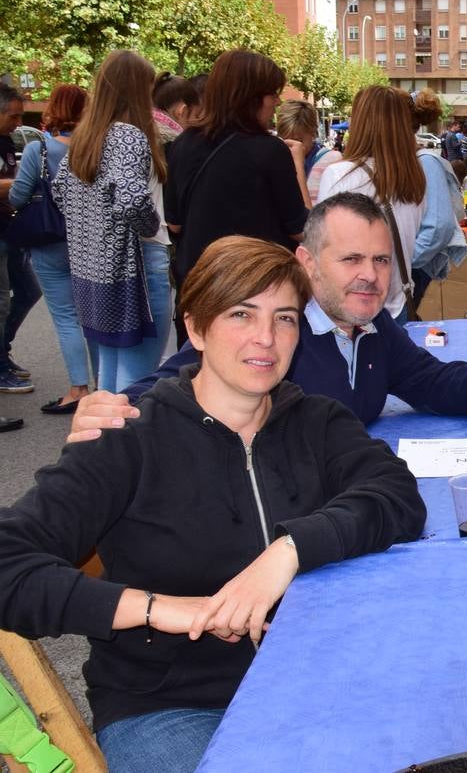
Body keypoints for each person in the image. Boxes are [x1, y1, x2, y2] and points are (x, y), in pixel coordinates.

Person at [0, 235, 425, 772]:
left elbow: (396, 495)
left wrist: (288, 550)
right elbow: (8, 561)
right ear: (196, 328)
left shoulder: (316, 422)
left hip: (317, 678)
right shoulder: (128, 440)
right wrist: (162, 608)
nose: (266, 338)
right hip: (171, 706)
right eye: (241, 314)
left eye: (285, 318)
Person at [71, 192, 467, 438]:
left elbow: (435, 384)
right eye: (351, 260)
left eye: (380, 261)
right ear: (307, 264)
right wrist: (115, 407)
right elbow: (177, 380)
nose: (371, 276)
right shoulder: (269, 334)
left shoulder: (374, 327)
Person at [53, 50, 173, 392]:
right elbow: (132, 200)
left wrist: (95, 227)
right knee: (136, 380)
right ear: (137, 89)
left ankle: (103, 444)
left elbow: (60, 191)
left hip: (93, 269)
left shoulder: (87, 136)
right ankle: (121, 444)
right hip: (136, 264)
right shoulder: (127, 135)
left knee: (109, 372)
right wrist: (153, 229)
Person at [165, 49, 308, 288]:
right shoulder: (271, 151)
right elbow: (299, 229)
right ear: (251, 97)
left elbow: (174, 224)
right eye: (273, 93)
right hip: (255, 287)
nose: (277, 101)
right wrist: (298, 166)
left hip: (199, 287)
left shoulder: (183, 143)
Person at [317, 85, 449, 324]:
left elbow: (322, 250)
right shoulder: (415, 178)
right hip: (399, 307)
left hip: (353, 313)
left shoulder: (341, 175)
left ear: (361, 122)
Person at [11, 84, 95, 413]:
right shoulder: (94, 150)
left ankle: (78, 388)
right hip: (88, 240)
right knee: (93, 315)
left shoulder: (39, 150)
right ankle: (106, 383)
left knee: (65, 316)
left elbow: (19, 196)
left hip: (49, 242)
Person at [0, 82, 41, 407]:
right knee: (1, 302)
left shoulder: (7, 141)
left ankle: (4, 350)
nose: (17, 122)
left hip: (10, 229)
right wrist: (21, 184)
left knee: (28, 291)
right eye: (12, 116)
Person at [410, 88, 467, 313]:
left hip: (413, 267)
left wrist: (407, 261)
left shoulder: (425, 162)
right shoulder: (414, 162)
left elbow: (439, 226)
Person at [277, 99, 342, 206]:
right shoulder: (277, 160)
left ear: (312, 131)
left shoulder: (332, 161)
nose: (293, 147)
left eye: (299, 140)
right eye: (287, 141)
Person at [150, 72, 200, 146]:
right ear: (182, 112)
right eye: (197, 115)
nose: (197, 122)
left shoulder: (143, 127)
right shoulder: (174, 144)